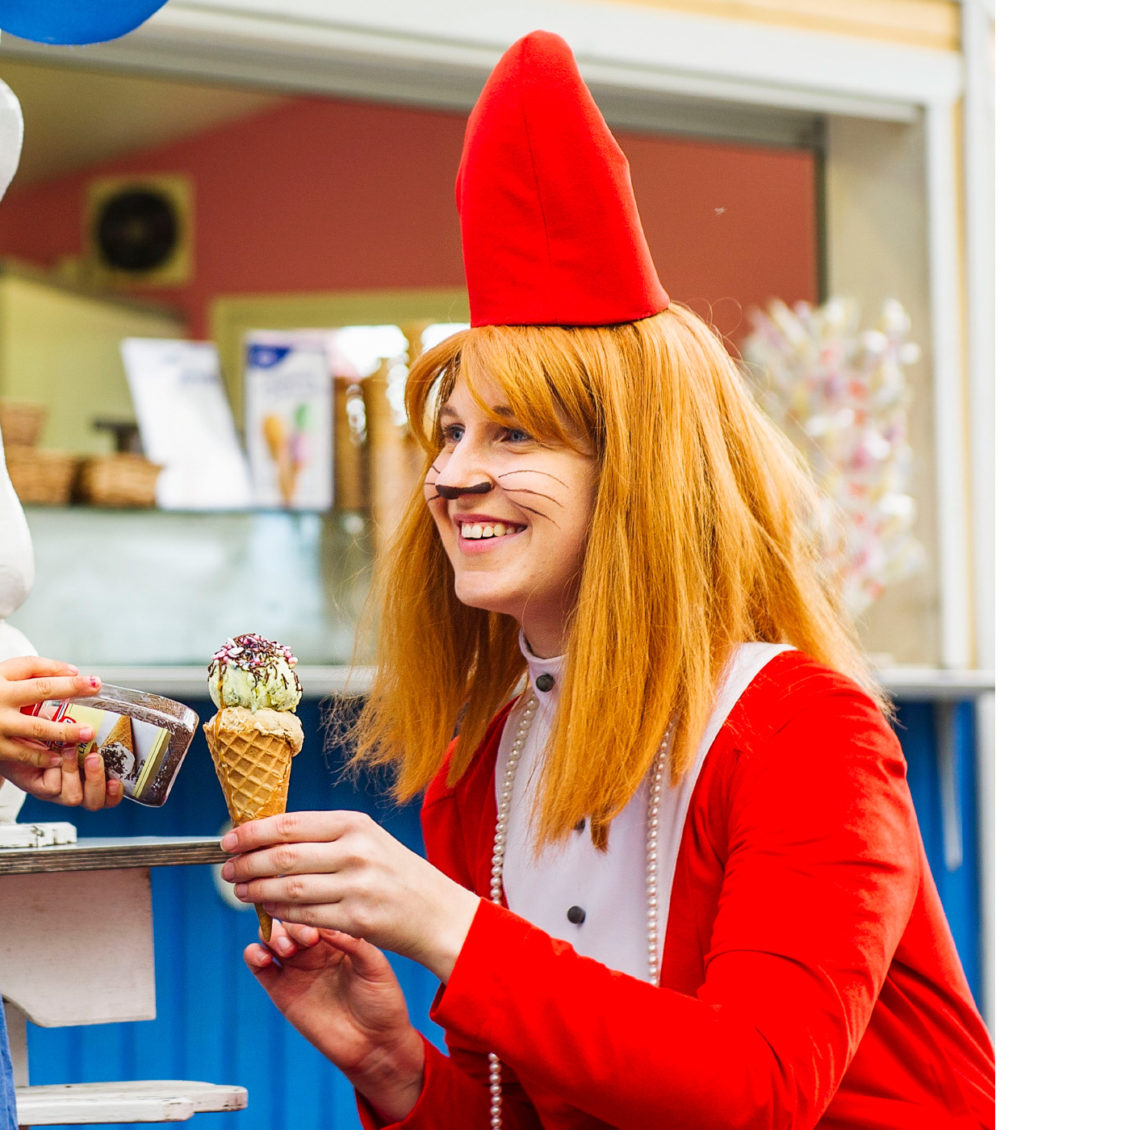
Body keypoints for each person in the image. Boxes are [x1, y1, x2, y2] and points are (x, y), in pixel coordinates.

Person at [219, 30, 995, 1130]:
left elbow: (754, 1089)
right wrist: (393, 1062)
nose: (451, 475)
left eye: (514, 432)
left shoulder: (800, 735)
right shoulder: (479, 771)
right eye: (448, 433)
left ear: (636, 475)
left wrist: (448, 923)